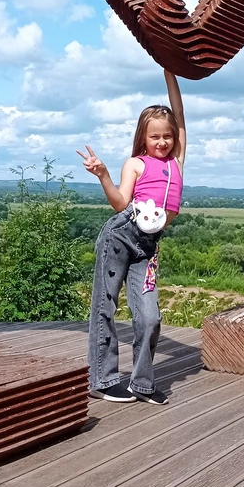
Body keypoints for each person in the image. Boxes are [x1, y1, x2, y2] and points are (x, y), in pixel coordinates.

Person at [76, 70, 186, 405]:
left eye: (167, 136)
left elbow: (180, 117)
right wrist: (103, 175)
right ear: (143, 138)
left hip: (148, 246)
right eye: (155, 137)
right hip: (122, 235)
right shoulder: (136, 164)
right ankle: (104, 379)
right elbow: (121, 202)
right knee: (105, 306)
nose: (162, 142)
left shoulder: (177, 161)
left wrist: (170, 71)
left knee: (150, 317)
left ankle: (141, 383)